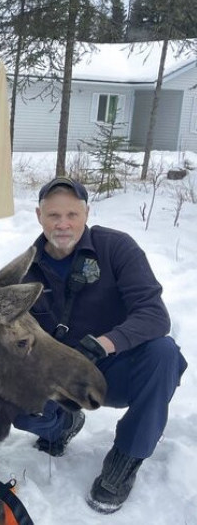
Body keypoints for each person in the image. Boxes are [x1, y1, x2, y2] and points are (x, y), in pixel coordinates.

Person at [12, 177, 187, 514]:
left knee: (164, 353)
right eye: (53, 216)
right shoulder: (27, 269)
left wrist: (105, 344)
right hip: (60, 377)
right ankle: (62, 424)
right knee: (18, 403)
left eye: (72, 215)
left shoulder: (116, 248)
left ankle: (126, 458)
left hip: (114, 368)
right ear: (38, 215)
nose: (63, 224)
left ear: (86, 212)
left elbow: (153, 314)